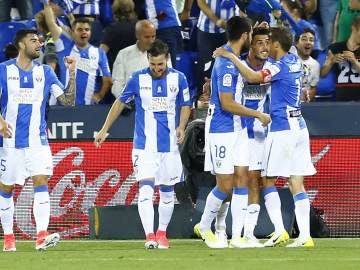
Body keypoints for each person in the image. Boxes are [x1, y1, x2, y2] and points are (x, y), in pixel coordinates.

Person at [214, 27, 316, 248]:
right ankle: (305, 236)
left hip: (283, 129)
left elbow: (252, 76)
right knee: (296, 181)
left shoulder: (278, 67)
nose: (266, 46)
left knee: (268, 180)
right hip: (299, 125)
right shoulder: (294, 60)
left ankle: (280, 230)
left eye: (269, 42)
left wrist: (230, 55)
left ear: (276, 45)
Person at [94, 39, 192, 249]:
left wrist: (182, 126)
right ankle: (149, 236)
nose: (157, 69)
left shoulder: (179, 78)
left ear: (166, 60)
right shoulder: (137, 79)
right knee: (146, 189)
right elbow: (119, 102)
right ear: (148, 60)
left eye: (160, 64)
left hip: (169, 146)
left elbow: (185, 105)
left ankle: (162, 233)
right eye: (153, 64)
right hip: (144, 146)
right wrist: (104, 129)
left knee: (167, 192)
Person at [193, 16, 271, 249]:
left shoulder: (232, 56)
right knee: (225, 184)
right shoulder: (226, 63)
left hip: (237, 129)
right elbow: (227, 103)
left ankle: (237, 237)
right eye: (251, 35)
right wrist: (257, 114)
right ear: (246, 36)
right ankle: (204, 227)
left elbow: (252, 76)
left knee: (242, 181)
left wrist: (255, 27)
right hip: (222, 129)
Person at [0, 29, 76, 252]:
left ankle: (41, 236)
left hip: (38, 140)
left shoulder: (45, 72)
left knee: (41, 181)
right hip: (10, 142)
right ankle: (8, 238)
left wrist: (72, 73)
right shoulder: (3, 70)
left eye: (39, 40)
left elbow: (67, 101)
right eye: (33, 40)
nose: (39, 44)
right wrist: (1, 121)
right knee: (6, 189)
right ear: (21, 45)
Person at [43, 2, 112, 105]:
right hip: (62, 108)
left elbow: (108, 79)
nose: (84, 32)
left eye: (87, 30)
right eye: (79, 30)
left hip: (87, 108)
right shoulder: (64, 46)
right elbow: (51, 23)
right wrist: (46, 3)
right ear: (72, 32)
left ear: (90, 32)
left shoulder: (99, 53)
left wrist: (100, 95)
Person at [111, 20, 156, 99]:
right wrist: (129, 102)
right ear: (137, 35)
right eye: (147, 37)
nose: (151, 41)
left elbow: (168, 81)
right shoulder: (123, 54)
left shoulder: (161, 55)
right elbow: (117, 84)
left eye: (153, 36)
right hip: (128, 106)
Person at [321, 16, 360, 101]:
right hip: (341, 98)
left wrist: (355, 62)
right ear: (353, 28)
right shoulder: (336, 48)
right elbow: (323, 74)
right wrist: (331, 62)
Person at [295, 28, 320, 101]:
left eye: (311, 40)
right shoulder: (288, 61)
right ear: (296, 43)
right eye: (304, 39)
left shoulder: (315, 65)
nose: (308, 42)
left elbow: (313, 87)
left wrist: (306, 99)